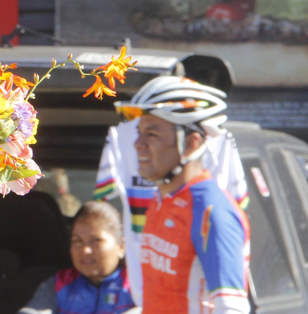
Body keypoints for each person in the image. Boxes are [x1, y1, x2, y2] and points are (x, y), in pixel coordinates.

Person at [95, 80, 248, 306]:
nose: (138, 144)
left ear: (191, 144)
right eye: (138, 132)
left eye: (152, 134)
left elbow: (232, 308)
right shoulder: (161, 201)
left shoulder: (211, 211)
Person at [19, 201, 139, 314]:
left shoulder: (138, 285)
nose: (85, 250)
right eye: (77, 241)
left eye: (96, 240)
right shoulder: (58, 284)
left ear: (121, 246)